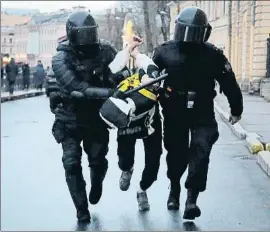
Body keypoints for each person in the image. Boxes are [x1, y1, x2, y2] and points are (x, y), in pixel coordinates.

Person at [141, 6, 243, 220]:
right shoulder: (163, 51)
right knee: (176, 154)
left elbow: (229, 81)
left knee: (200, 152)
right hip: (174, 110)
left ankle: (191, 199)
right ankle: (175, 188)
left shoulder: (213, 54)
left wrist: (236, 109)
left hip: (202, 110)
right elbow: (147, 77)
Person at [50, 10, 131, 223]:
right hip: (70, 118)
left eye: (89, 35)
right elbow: (79, 88)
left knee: (97, 161)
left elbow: (121, 73)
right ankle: (81, 209)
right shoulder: (61, 58)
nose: (86, 41)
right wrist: (110, 93)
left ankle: (96, 185)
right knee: (71, 163)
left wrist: (124, 80)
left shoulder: (105, 50)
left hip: (97, 118)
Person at [110, 42, 163, 211]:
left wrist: (137, 54)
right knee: (124, 160)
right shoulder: (117, 69)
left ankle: (142, 190)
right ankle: (127, 169)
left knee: (154, 163)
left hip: (150, 122)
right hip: (127, 122)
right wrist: (126, 51)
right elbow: (112, 68)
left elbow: (149, 66)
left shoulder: (146, 66)